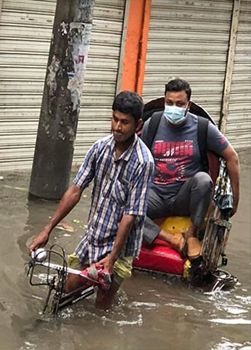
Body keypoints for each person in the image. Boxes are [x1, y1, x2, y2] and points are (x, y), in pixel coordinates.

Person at [29, 91, 155, 309]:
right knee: (68, 289)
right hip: (94, 237)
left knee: (102, 306)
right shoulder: (100, 148)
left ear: (138, 125)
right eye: (115, 119)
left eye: (124, 122)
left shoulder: (143, 163)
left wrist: (112, 259)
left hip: (120, 247)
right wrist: (47, 229)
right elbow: (75, 190)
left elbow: (131, 215)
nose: (117, 127)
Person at [141, 78, 240, 261]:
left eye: (179, 104)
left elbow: (232, 157)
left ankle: (192, 234)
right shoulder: (152, 124)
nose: (174, 108)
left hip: (185, 197)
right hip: (156, 196)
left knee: (203, 179)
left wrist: (235, 201)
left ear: (188, 105)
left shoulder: (202, 127)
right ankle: (170, 239)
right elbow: (138, 159)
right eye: (169, 103)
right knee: (123, 204)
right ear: (164, 102)